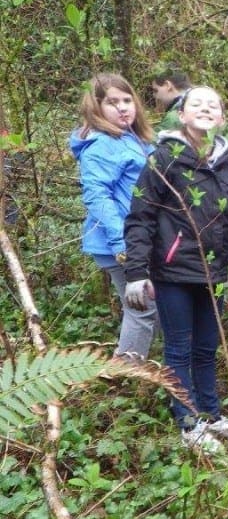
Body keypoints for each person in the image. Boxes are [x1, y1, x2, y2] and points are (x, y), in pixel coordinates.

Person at [123, 86, 228, 454]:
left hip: (213, 276)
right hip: (173, 276)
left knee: (206, 348)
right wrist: (137, 272)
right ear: (181, 115)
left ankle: (211, 414)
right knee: (179, 350)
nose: (205, 109)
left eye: (213, 105)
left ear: (221, 119)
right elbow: (141, 218)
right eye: (195, 103)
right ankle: (189, 424)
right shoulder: (162, 161)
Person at [69, 73, 158, 360]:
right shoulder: (101, 146)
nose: (122, 108)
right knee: (142, 307)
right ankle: (126, 375)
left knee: (151, 304)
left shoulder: (132, 138)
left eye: (127, 100)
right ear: (96, 107)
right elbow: (98, 198)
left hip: (142, 238)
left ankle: (143, 369)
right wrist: (123, 247)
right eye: (112, 102)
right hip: (120, 243)